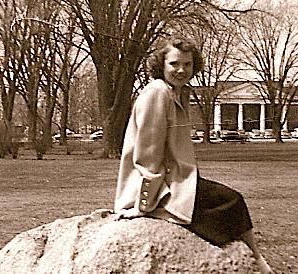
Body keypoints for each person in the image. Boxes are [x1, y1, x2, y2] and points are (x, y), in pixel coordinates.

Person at [114, 35, 273, 274]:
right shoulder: (156, 93)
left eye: (187, 65)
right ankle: (258, 262)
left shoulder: (175, 92)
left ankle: (255, 259)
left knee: (229, 203)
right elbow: (147, 155)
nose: (181, 70)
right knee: (231, 202)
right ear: (161, 64)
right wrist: (143, 206)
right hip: (158, 189)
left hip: (174, 181)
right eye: (174, 64)